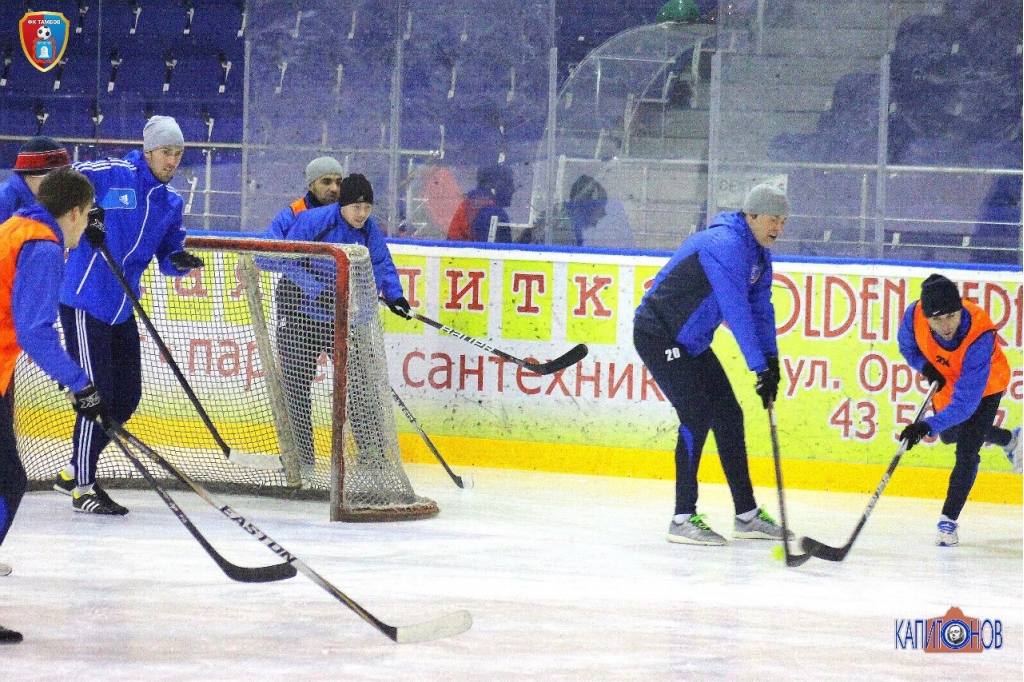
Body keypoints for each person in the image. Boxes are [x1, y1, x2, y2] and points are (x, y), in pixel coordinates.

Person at [52, 115, 204, 515]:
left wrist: (179, 259)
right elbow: (66, 179)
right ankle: (82, 487)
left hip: (122, 307)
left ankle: (72, 471)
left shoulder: (170, 202)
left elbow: (168, 251)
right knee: (96, 394)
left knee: (127, 396)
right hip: (85, 300)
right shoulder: (117, 174)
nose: (173, 161)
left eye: (178, 154)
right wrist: (88, 212)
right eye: (167, 152)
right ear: (149, 151)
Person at [632, 183, 791, 546]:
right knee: (696, 414)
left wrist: (771, 362)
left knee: (729, 415)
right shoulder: (724, 245)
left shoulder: (759, 254)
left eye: (783, 222)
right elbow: (735, 310)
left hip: (692, 342)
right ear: (751, 216)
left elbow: (760, 310)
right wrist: (758, 367)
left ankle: (746, 514)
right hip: (659, 336)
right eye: (772, 220)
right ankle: (682, 518)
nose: (778, 229)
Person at [0, 167, 108, 642]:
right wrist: (80, 384)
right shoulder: (42, 248)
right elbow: (35, 332)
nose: (87, 225)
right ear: (73, 212)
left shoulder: (19, 226)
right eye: (86, 216)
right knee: (8, 483)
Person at [264, 173, 409, 471]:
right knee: (295, 385)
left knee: (359, 386)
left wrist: (394, 295)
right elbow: (287, 258)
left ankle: (371, 456)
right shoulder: (313, 221)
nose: (362, 214)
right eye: (356, 207)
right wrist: (315, 291)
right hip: (301, 314)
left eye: (367, 208)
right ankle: (300, 458)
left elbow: (381, 263)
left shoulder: (369, 230)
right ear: (343, 205)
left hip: (340, 318)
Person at [896, 273, 1020, 546]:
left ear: (960, 308)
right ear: (926, 316)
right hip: (949, 377)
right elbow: (907, 347)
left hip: (986, 383)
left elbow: (965, 404)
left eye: (951, 315)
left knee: (967, 448)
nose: (946, 325)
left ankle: (948, 521)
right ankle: (1010, 440)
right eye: (937, 319)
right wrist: (926, 367)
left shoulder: (979, 334)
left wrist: (925, 426)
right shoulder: (913, 315)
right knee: (951, 434)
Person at [266, 156, 344, 239]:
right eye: (326, 182)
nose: (334, 188)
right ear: (311, 185)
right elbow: (272, 247)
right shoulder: (291, 215)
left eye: (338, 183)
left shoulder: (349, 214)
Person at [0, 136, 71, 222]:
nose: (61, 184)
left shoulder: (60, 198)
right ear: (29, 175)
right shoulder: (4, 200)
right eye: (54, 177)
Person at [448, 164, 515, 243]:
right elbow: (505, 252)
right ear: (492, 184)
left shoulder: (468, 204)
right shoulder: (493, 213)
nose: (513, 189)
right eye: (508, 184)